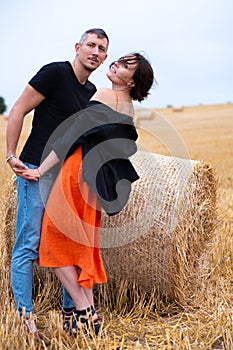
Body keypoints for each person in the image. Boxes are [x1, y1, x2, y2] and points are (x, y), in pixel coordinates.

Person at [21, 52, 155, 336]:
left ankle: (86, 310)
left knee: (52, 245)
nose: (116, 64)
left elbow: (70, 135)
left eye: (126, 66)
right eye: (118, 60)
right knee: (82, 246)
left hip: (77, 173)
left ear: (132, 81)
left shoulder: (105, 94)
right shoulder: (128, 108)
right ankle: (86, 317)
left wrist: (39, 169)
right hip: (96, 182)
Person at [5, 28, 109, 336]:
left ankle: (72, 316)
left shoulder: (91, 91)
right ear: (77, 47)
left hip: (67, 180)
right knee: (28, 245)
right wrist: (11, 155)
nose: (95, 51)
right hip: (35, 169)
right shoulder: (55, 73)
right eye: (90, 44)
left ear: (104, 57)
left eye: (102, 48)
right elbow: (19, 109)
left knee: (71, 247)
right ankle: (25, 322)